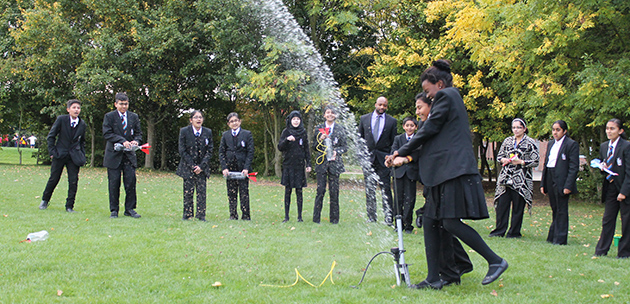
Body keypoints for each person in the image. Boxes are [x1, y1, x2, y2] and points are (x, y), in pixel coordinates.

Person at [387, 60, 507, 289]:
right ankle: (435, 278)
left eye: (427, 91)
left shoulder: (447, 96)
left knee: (450, 222)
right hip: (443, 173)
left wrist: (401, 151)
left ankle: (496, 261)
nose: (427, 96)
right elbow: (432, 136)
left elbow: (429, 130)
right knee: (431, 221)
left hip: (454, 171)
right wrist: (404, 156)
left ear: (439, 84)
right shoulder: (447, 99)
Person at [413, 92, 473, 285]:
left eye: (420, 107)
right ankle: (449, 272)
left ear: (431, 106)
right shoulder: (425, 125)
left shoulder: (441, 124)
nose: (417, 112)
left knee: (444, 225)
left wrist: (404, 156)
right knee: (437, 225)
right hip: (432, 183)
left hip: (445, 182)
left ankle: (452, 271)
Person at [489, 118, 540, 238]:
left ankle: (514, 232)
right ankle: (499, 230)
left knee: (518, 206)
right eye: (514, 128)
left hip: (521, 179)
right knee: (502, 205)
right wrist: (503, 160)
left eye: (518, 127)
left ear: (524, 129)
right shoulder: (507, 141)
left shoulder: (530, 143)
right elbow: (500, 155)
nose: (516, 130)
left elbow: (535, 161)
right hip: (506, 178)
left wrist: (521, 162)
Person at [39, 99, 87, 212]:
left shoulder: (82, 124)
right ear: (68, 109)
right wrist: (52, 152)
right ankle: (45, 200)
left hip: (74, 157)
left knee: (73, 181)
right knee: (54, 179)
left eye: (78, 108)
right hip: (60, 154)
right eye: (74, 107)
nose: (76, 110)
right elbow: (51, 136)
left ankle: (70, 206)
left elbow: (82, 142)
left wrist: (82, 155)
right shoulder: (61, 119)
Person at [103, 92, 143, 219]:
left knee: (130, 182)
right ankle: (114, 210)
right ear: (116, 104)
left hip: (129, 156)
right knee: (114, 183)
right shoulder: (109, 117)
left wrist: (136, 141)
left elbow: (139, 133)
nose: (124, 106)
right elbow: (107, 133)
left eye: (126, 104)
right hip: (114, 155)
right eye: (121, 104)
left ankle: (130, 209)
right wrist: (122, 141)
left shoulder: (134, 117)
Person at [594, 119, 630, 258]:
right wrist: (603, 167)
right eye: (607, 128)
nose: (609, 131)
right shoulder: (604, 146)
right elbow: (607, 166)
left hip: (624, 188)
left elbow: (628, 171)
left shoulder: (626, 146)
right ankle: (601, 250)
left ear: (620, 131)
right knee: (607, 219)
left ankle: (624, 253)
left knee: (626, 221)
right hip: (610, 187)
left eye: (612, 128)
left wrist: (624, 192)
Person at [358, 96, 397, 224]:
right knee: (369, 189)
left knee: (386, 188)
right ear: (375, 104)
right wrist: (362, 156)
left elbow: (393, 142)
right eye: (380, 104)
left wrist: (391, 157)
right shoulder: (364, 119)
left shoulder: (392, 121)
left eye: (384, 105)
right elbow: (360, 139)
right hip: (368, 159)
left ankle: (388, 217)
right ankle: (371, 216)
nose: (382, 107)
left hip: (383, 160)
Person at [540, 120, 579, 245]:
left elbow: (573, 167)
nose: (555, 132)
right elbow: (546, 164)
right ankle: (553, 235)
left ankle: (560, 238)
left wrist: (568, 185)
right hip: (550, 176)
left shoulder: (571, 144)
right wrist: (543, 184)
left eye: (558, 130)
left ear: (564, 131)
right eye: (553, 130)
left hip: (562, 179)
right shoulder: (551, 143)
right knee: (554, 208)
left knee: (562, 209)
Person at [176, 110, 213, 221]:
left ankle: (201, 215)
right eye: (196, 117)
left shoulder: (208, 132)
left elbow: (210, 151)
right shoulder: (184, 131)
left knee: (202, 193)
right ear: (191, 120)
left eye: (200, 117)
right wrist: (193, 166)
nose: (198, 119)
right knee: (188, 192)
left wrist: (201, 166)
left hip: (202, 168)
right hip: (188, 168)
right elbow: (182, 150)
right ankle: (187, 214)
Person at [313, 106, 347, 224]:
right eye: (328, 113)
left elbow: (345, 147)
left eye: (332, 113)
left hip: (334, 164)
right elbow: (314, 146)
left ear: (336, 115)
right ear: (324, 115)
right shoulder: (319, 128)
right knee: (320, 190)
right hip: (322, 163)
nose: (330, 114)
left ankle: (334, 220)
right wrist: (320, 139)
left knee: (334, 191)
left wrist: (337, 152)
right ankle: (316, 219)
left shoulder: (340, 128)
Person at [277, 111, 312, 222]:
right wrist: (287, 140)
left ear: (300, 120)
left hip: (299, 165)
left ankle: (299, 217)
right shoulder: (286, 131)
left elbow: (306, 149)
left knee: (299, 191)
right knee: (288, 191)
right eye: (294, 119)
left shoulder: (303, 132)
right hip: (288, 165)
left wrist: (309, 163)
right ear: (290, 120)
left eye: (298, 119)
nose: (296, 121)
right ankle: (286, 216)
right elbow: (280, 147)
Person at [219, 112, 254, 220]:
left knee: (244, 192)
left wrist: (246, 168)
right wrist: (224, 167)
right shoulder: (225, 135)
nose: (234, 123)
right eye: (231, 121)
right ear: (228, 124)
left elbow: (250, 152)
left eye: (236, 120)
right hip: (230, 169)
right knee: (231, 192)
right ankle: (233, 215)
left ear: (239, 121)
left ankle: (246, 215)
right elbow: (221, 152)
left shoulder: (247, 134)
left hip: (243, 168)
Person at [391, 117, 420, 233]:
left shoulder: (418, 139)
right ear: (403, 126)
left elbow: (417, 154)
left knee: (410, 199)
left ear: (416, 127)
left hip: (411, 173)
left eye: (412, 126)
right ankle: (398, 224)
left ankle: (408, 224)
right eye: (407, 125)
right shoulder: (398, 139)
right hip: (398, 173)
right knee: (398, 200)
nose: (409, 128)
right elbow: (394, 151)